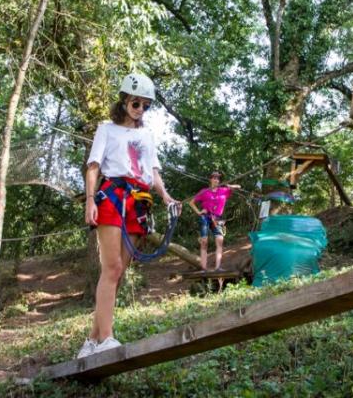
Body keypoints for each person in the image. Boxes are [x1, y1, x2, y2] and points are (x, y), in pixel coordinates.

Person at [78, 73, 181, 359]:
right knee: (110, 269)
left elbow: (154, 172)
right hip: (112, 196)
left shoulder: (147, 135)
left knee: (119, 272)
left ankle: (92, 340)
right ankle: (107, 338)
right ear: (124, 100)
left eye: (146, 105)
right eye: (137, 103)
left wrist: (166, 196)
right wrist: (89, 201)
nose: (141, 109)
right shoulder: (106, 129)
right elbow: (94, 167)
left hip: (139, 202)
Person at [189, 171, 240, 271]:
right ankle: (203, 268)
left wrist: (229, 185)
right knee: (204, 242)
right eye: (214, 178)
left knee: (220, 241)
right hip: (205, 216)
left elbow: (239, 186)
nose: (216, 180)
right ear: (210, 179)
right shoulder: (204, 191)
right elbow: (191, 202)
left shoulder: (224, 190)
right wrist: (199, 212)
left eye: (218, 178)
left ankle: (218, 267)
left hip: (217, 218)